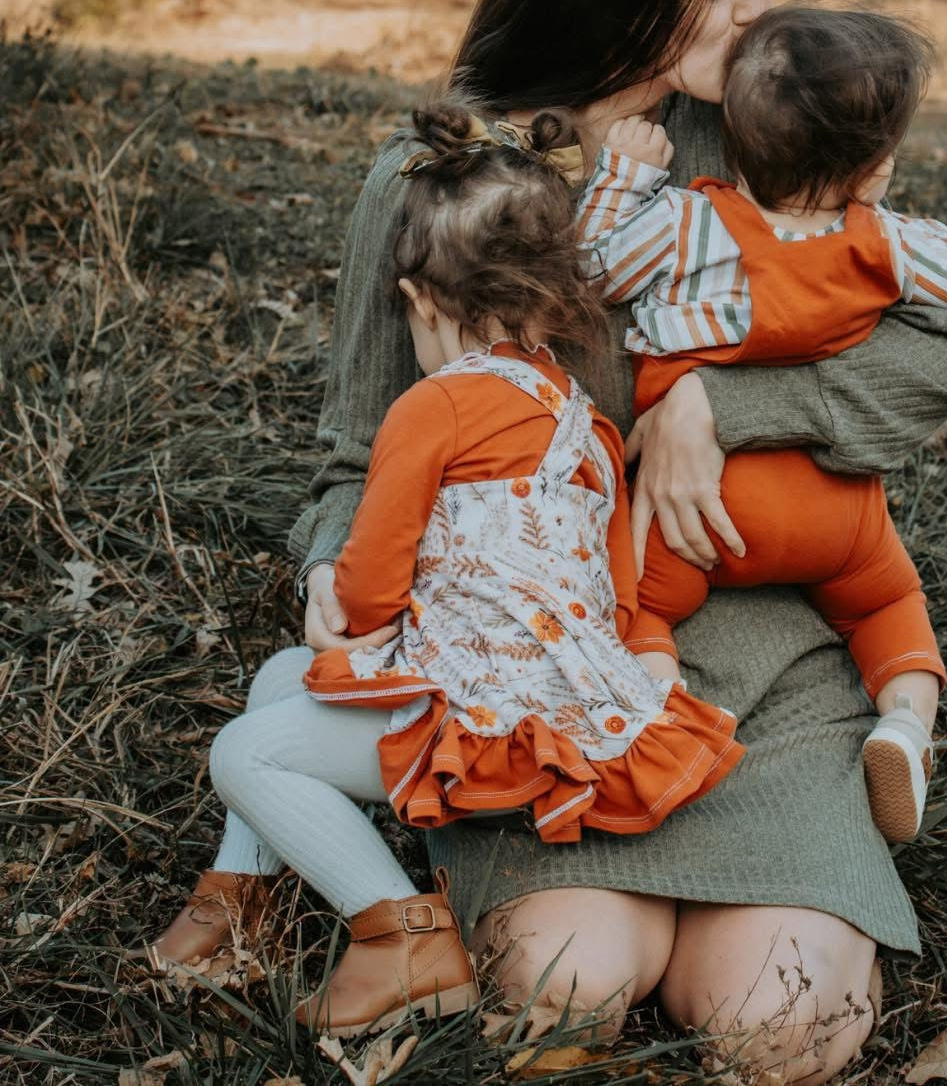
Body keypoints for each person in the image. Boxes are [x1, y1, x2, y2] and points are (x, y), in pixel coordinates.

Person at [150, 0, 947, 1084]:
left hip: (764, 652)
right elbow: (356, 455)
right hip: (544, 668)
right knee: (562, 994)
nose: (761, 3)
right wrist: (332, 562)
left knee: (786, 1026)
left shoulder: (763, 127)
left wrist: (715, 407)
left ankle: (775, 860)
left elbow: (932, 362)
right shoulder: (434, 179)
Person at [150, 101, 742, 1037]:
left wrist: (339, 600)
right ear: (553, 299)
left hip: (473, 721)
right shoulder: (587, 423)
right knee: (277, 683)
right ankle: (240, 905)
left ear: (419, 301)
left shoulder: (433, 406)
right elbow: (617, 592)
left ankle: (402, 936)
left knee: (244, 751)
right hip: (565, 720)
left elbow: (374, 585)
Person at [576, 4, 947, 844]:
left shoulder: (689, 225)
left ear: (734, 146)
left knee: (637, 610)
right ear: (871, 166)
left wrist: (622, 177)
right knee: (891, 601)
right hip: (836, 507)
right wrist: (877, 211)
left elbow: (594, 267)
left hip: (699, 508)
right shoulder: (881, 244)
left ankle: (660, 714)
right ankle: (905, 724)